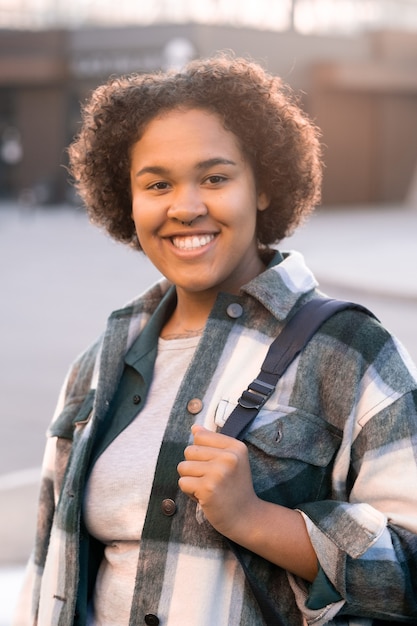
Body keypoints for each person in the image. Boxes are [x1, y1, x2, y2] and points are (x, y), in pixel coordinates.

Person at [14, 54, 417, 626]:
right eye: (157, 184)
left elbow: (410, 571)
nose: (185, 207)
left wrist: (255, 518)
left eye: (215, 177)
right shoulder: (98, 365)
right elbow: (47, 567)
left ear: (263, 188)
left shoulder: (352, 351)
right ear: (127, 200)